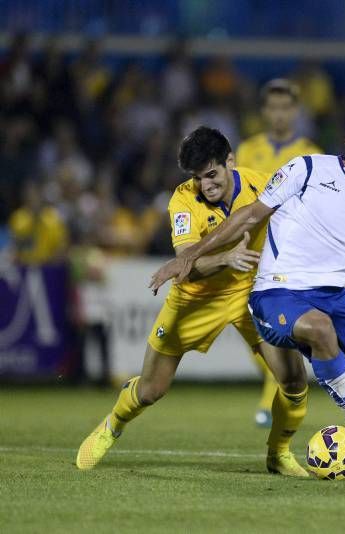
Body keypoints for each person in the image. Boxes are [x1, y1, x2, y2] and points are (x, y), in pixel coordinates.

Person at [151, 110, 345, 481]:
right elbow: (251, 215)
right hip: (277, 291)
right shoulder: (308, 169)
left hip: (335, 295)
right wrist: (189, 255)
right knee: (320, 329)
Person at [76, 127, 312, 477]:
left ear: (230, 161)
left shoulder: (263, 185)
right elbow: (185, 267)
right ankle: (114, 423)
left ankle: (277, 453)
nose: (206, 185)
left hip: (252, 293)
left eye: (212, 174)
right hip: (194, 299)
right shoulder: (182, 201)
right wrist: (224, 259)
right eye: (198, 178)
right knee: (152, 389)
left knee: (293, 380)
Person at [236, 78, 321, 428]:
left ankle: (272, 395)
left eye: (286, 107)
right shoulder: (246, 150)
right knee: (247, 323)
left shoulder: (312, 154)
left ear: (296, 111)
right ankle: (278, 382)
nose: (279, 114)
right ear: (264, 112)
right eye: (273, 107)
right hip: (253, 250)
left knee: (278, 324)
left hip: (290, 253)